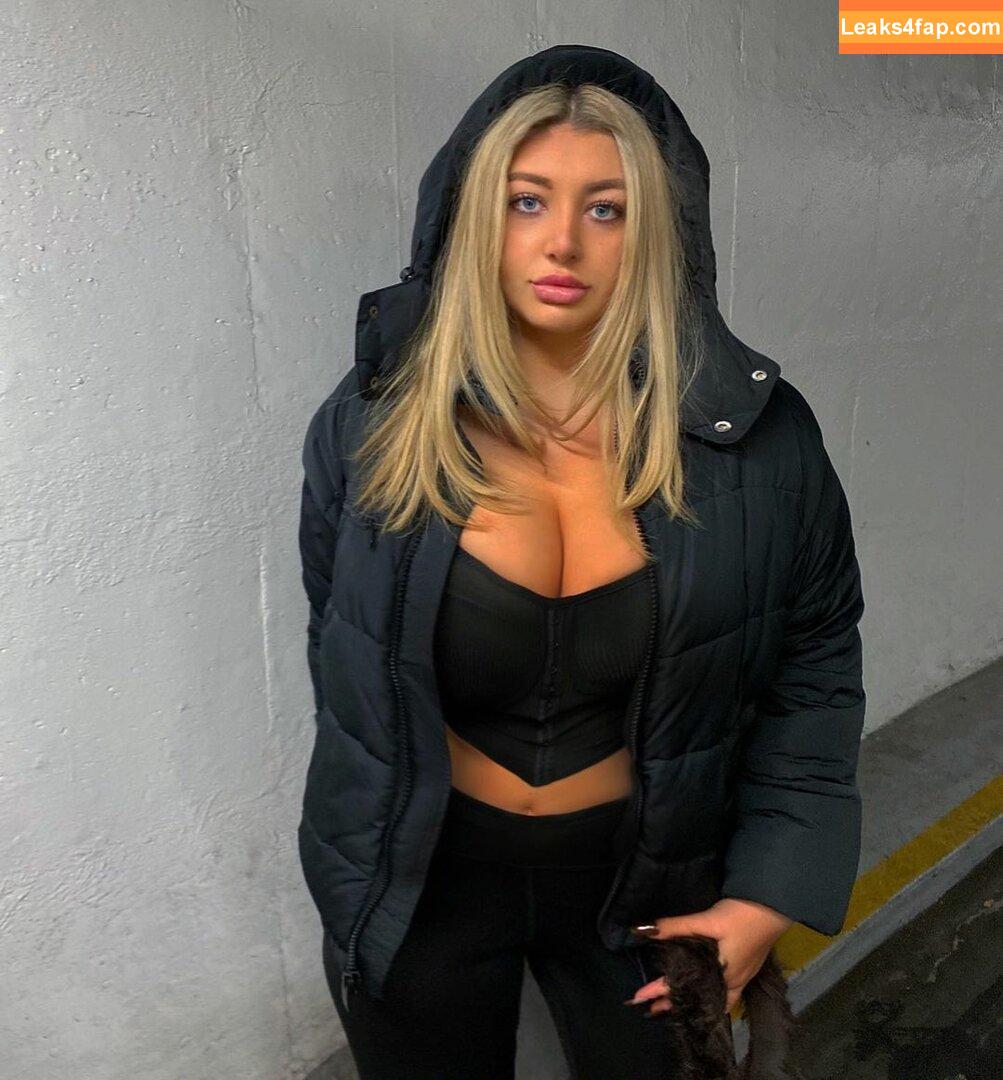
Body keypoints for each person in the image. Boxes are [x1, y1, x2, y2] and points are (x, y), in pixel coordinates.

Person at [297, 44, 866, 1080]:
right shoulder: (372, 423)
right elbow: (340, 650)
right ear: (473, 217)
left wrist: (763, 897)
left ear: (656, 233)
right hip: (421, 890)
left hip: (650, 888)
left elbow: (814, 671)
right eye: (526, 201)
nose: (562, 240)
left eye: (606, 209)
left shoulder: (761, 440)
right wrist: (361, 861)